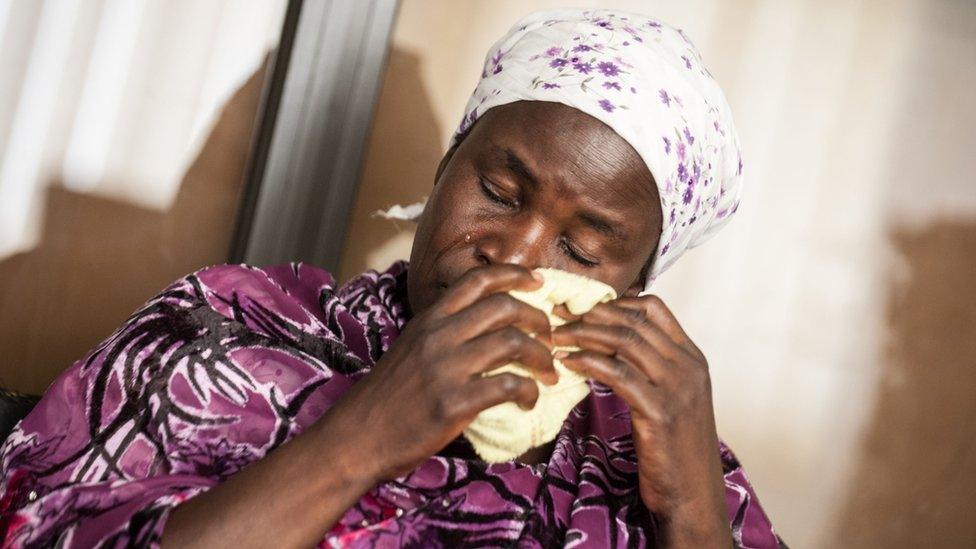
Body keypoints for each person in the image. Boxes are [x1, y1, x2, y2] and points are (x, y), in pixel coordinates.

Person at [0, 9, 783, 548]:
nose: (515, 257)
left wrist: (691, 515)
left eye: (580, 250)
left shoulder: (656, 454)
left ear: (633, 292)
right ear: (445, 169)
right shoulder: (223, 330)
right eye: (500, 195)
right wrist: (368, 435)